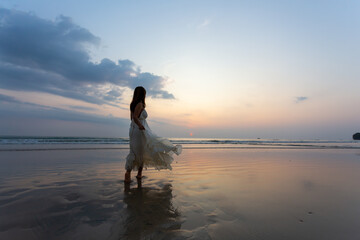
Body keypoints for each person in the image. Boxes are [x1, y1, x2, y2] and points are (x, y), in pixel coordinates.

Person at [124, 86, 182, 183]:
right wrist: (140, 126)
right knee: (140, 151)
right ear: (142, 94)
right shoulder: (139, 104)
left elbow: (132, 118)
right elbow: (134, 117)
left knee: (137, 151)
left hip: (134, 130)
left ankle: (135, 174)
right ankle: (132, 173)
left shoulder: (133, 104)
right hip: (139, 130)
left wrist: (138, 125)